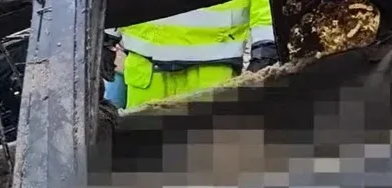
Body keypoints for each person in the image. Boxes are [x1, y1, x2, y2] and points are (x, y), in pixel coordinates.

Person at [118, 0, 276, 108]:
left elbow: (267, 9)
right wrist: (107, 34)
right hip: (147, 69)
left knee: (206, 145)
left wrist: (265, 48)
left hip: (211, 68)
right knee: (142, 143)